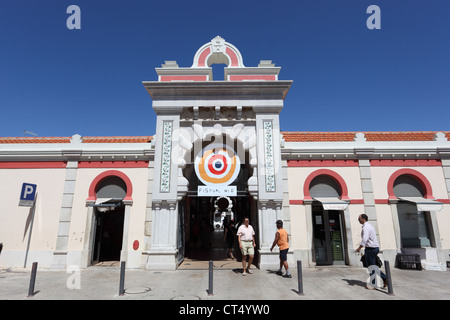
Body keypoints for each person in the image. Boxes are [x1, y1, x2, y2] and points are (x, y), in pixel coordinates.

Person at [355, 213, 387, 289]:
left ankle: (382, 279)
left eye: (359, 219)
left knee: (372, 267)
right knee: (372, 267)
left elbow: (365, 238)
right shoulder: (370, 226)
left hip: (370, 249)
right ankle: (379, 281)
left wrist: (360, 247)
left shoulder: (366, 227)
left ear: (363, 219)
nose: (358, 220)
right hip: (374, 248)